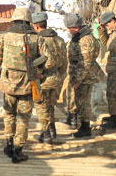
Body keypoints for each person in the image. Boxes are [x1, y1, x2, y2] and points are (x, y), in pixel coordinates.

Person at [0, 8, 41, 163]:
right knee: (23, 117)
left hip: (8, 83)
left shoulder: (4, 37)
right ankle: (18, 150)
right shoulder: (36, 38)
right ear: (29, 20)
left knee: (9, 114)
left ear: (14, 20)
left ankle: (9, 144)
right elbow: (46, 60)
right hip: (28, 83)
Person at [64, 13, 103, 138]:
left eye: (69, 28)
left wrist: (76, 80)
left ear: (74, 27)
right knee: (79, 101)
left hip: (85, 77)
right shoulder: (79, 37)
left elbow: (85, 63)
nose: (68, 31)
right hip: (80, 75)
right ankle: (81, 124)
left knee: (83, 102)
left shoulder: (85, 40)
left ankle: (85, 127)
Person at [31, 11, 67, 143]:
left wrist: (36, 73)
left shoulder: (38, 40)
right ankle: (52, 131)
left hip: (43, 78)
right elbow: (64, 62)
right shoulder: (60, 40)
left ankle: (46, 134)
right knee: (51, 106)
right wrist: (59, 74)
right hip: (56, 76)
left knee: (41, 107)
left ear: (35, 26)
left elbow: (36, 60)